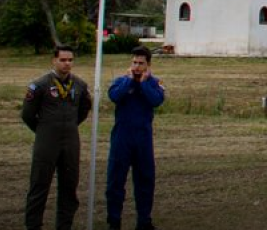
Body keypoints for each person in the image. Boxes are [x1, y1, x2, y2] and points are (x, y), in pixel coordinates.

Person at [22, 45, 92, 230]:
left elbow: (84, 110)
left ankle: (64, 225)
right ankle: (33, 225)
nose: (67, 63)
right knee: (39, 186)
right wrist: (44, 130)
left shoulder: (79, 85)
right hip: (46, 141)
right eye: (63, 60)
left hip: (70, 141)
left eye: (70, 60)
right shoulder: (40, 85)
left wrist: (69, 126)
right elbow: (27, 114)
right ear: (54, 61)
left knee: (69, 187)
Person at [106, 45, 166, 230]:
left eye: (141, 63)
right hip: (122, 137)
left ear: (148, 65)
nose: (137, 66)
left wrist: (144, 83)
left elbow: (156, 100)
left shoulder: (154, 83)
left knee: (145, 180)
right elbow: (114, 96)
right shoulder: (122, 81)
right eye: (134, 62)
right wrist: (130, 81)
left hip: (142, 139)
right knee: (115, 181)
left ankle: (144, 221)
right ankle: (114, 221)